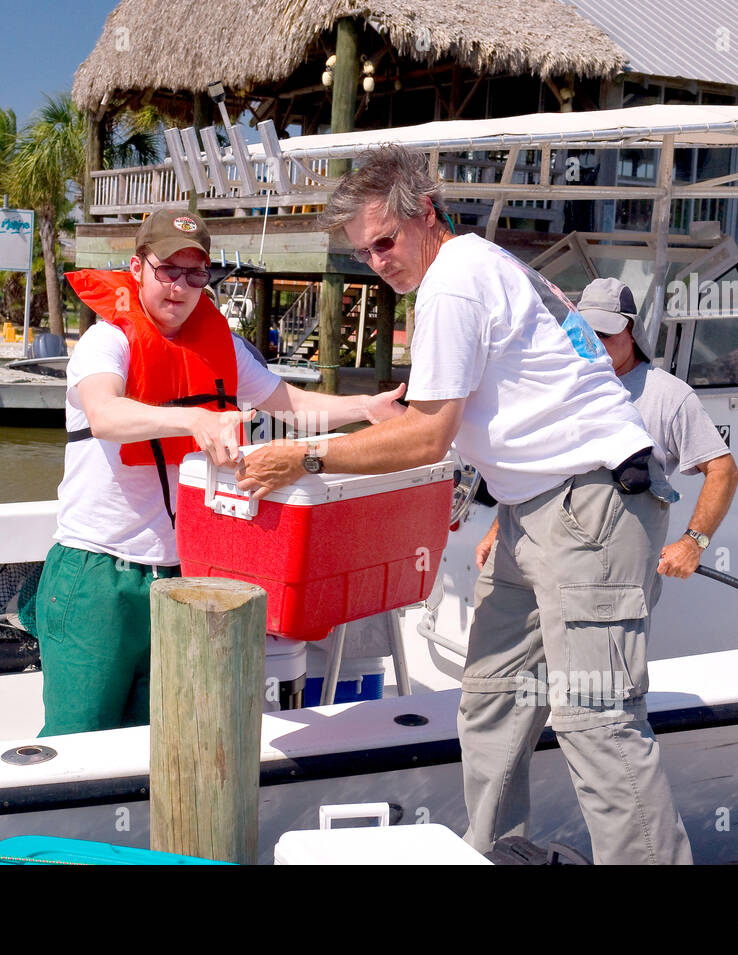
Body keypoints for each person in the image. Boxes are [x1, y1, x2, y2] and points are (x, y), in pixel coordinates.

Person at [237, 146, 693, 864]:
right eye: (363, 252)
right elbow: (449, 418)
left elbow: (428, 438)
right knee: (492, 699)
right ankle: (492, 856)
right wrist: (388, 421)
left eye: (385, 241)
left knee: (596, 722)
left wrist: (305, 454)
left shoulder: (450, 283)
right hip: (533, 510)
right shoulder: (480, 262)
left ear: (426, 213)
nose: (378, 260)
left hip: (590, 504)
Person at [21, 209, 404, 737]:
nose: (180, 286)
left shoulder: (219, 345)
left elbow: (286, 402)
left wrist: (367, 407)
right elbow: (106, 416)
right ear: (137, 267)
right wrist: (194, 419)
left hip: (182, 576)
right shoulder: (105, 342)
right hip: (97, 573)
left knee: (164, 736)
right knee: (79, 737)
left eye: (195, 274)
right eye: (168, 270)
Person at [476, 278, 738, 583]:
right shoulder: (560, 383)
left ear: (632, 332)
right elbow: (538, 473)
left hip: (612, 574)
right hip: (540, 559)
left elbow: (724, 470)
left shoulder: (669, 395)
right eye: (586, 332)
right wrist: (497, 532)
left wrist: (694, 543)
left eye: (605, 333)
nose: (594, 342)